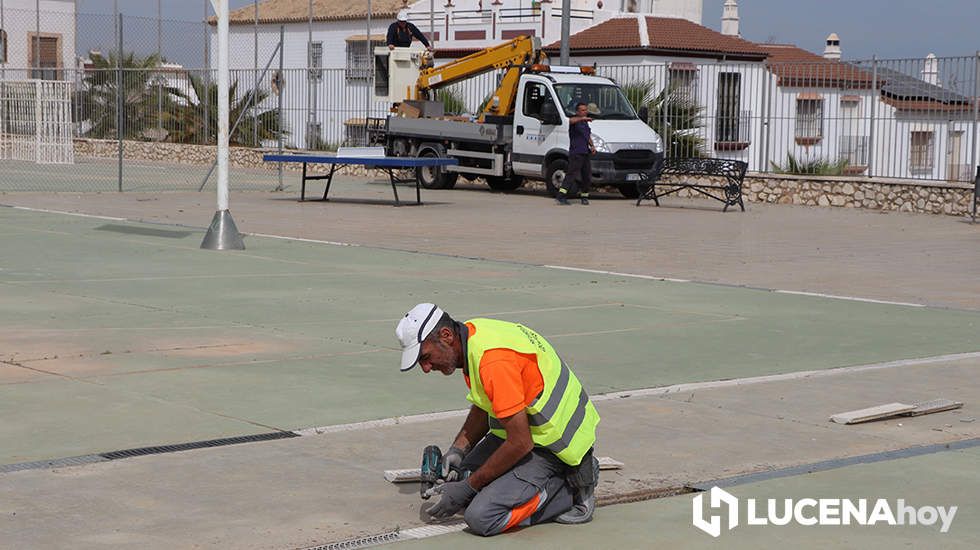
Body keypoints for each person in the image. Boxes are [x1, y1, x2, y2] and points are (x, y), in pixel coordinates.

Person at [396, 303, 601, 536]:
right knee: (461, 483)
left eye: (425, 357)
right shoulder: (473, 336)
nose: (425, 367)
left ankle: (570, 488)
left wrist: (470, 486)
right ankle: (514, 485)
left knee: (482, 516)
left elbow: (520, 443)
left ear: (446, 335)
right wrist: (459, 449)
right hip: (527, 434)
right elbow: (486, 404)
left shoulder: (493, 361)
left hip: (554, 445)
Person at [557, 102, 596, 205]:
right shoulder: (575, 120)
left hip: (585, 152)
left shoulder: (584, 123)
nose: (585, 112)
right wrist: (583, 118)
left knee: (587, 176)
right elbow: (570, 121)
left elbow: (587, 135)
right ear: (577, 112)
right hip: (576, 153)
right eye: (583, 110)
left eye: (586, 110)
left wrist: (592, 146)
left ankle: (584, 197)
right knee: (571, 175)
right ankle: (561, 196)